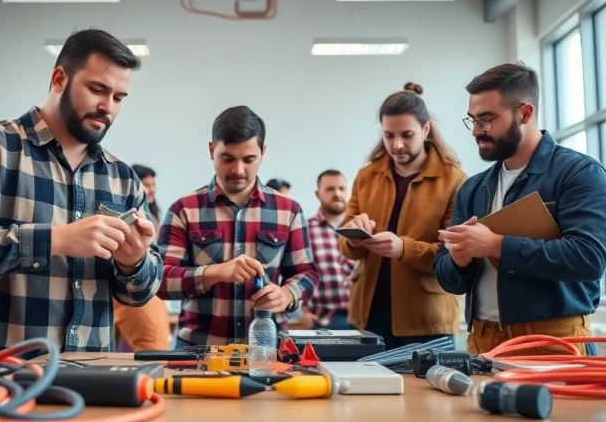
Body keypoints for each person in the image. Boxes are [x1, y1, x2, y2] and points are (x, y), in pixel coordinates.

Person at [0, 28, 162, 355]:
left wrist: (134, 262)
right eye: (97, 89)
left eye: (118, 97)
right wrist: (56, 239)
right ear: (59, 79)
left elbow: (141, 292)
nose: (107, 107)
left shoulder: (123, 179)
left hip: (81, 388)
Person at [434, 63, 606, 356]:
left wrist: (496, 245)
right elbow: (448, 279)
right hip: (481, 340)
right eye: (473, 120)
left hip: (553, 340)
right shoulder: (473, 188)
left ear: (525, 113)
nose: (477, 131)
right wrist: (459, 260)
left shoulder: (580, 173)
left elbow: (589, 258)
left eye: (487, 119)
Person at [156, 106, 319, 346]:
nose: (238, 170)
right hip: (198, 351)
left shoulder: (289, 210)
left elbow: (306, 273)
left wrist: (287, 294)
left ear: (263, 153)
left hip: (267, 351)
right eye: (228, 158)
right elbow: (160, 281)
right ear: (212, 150)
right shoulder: (184, 210)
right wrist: (216, 272)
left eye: (249, 159)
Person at [338, 82, 467, 350]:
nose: (396, 145)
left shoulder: (454, 180)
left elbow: (455, 255)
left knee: (429, 392)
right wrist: (354, 239)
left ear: (426, 129)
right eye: (388, 135)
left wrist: (404, 249)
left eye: (407, 135)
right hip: (368, 315)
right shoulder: (366, 176)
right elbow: (344, 244)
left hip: (428, 321)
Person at [114, 163, 173, 351]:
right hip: (131, 278)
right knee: (152, 345)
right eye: (147, 185)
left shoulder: (154, 216)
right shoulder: (126, 215)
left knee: (141, 343)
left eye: (153, 185)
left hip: (150, 281)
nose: (152, 189)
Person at [303, 169, 357, 330]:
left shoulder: (360, 229)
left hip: (363, 320)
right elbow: (294, 271)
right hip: (322, 321)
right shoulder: (304, 229)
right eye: (330, 189)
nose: (337, 193)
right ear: (317, 194)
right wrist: (301, 314)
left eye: (341, 188)